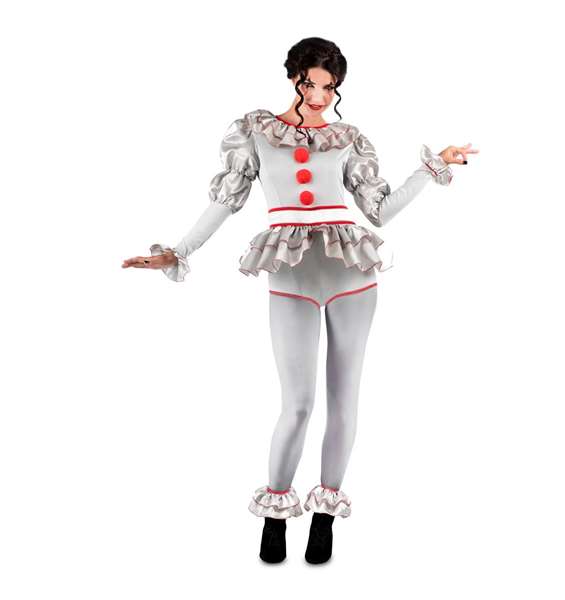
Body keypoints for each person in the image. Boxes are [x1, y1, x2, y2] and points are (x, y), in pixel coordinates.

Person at [122, 37, 478, 565]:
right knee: (298, 404)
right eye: (312, 83)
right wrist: (178, 251)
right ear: (294, 78)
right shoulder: (256, 132)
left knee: (344, 401)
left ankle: (325, 516)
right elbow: (225, 202)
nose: (320, 95)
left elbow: (379, 211)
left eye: (330, 87)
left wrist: (431, 169)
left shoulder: (346, 139)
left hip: (351, 275)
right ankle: (274, 513)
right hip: (290, 276)